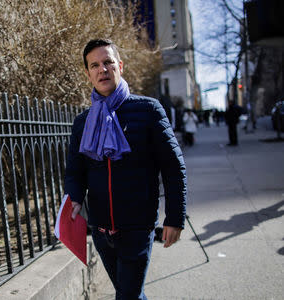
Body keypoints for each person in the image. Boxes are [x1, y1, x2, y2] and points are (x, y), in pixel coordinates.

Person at [64, 39, 187, 300]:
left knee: (127, 296)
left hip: (137, 228)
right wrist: (74, 197)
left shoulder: (148, 110)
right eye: (94, 65)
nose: (102, 69)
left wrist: (175, 217)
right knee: (130, 293)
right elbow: (75, 170)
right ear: (88, 74)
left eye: (108, 62)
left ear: (120, 66)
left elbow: (173, 168)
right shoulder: (82, 122)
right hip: (100, 231)